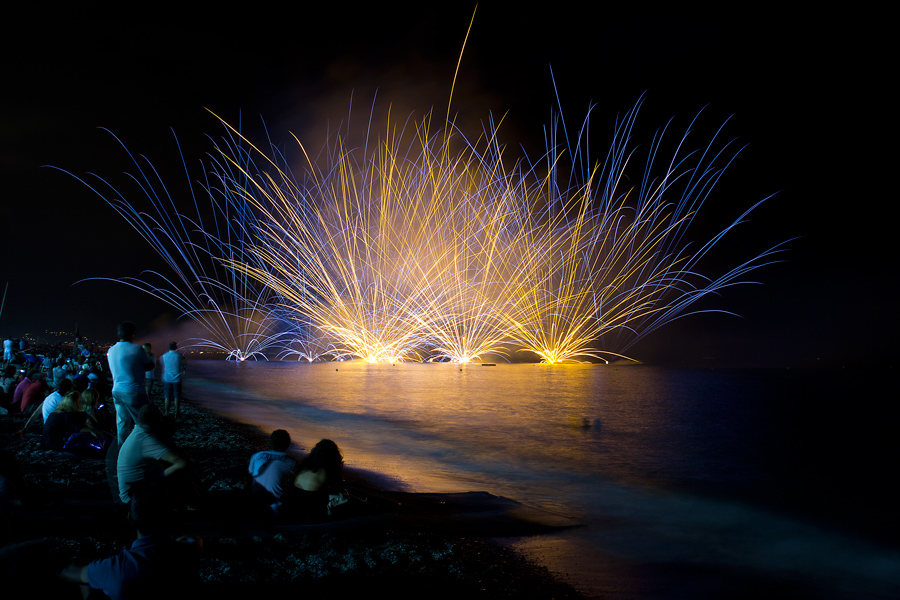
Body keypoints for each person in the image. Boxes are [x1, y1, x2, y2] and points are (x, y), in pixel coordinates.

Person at [59, 487, 201, 599]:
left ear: (130, 518)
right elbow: (195, 539)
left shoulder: (116, 568)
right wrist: (177, 541)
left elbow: (67, 573)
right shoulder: (188, 551)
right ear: (169, 518)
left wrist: (90, 563)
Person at [117, 404, 188, 505]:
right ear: (157, 421)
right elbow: (182, 462)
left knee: (167, 468)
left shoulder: (137, 433)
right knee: (177, 472)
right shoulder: (146, 440)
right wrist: (157, 477)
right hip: (134, 498)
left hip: (132, 490)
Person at [107, 322, 154, 445]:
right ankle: (146, 449)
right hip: (134, 391)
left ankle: (122, 450)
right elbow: (148, 366)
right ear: (132, 335)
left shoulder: (111, 350)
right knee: (144, 422)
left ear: (119, 334)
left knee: (122, 423)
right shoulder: (137, 349)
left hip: (117, 390)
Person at [287, 439, 348, 521]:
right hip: (312, 513)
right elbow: (336, 486)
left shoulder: (305, 466)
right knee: (343, 496)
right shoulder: (326, 471)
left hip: (295, 507)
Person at [248, 429, 296, 516]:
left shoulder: (257, 455)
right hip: (275, 508)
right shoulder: (292, 462)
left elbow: (252, 475)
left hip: (254, 502)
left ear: (270, 442)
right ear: (287, 444)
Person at [160, 342, 186, 418]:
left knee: (167, 396)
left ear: (169, 347)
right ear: (176, 347)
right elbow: (183, 366)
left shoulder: (164, 356)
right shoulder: (179, 356)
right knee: (177, 397)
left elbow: (163, 365)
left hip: (167, 378)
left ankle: (167, 412)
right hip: (177, 379)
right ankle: (176, 413)